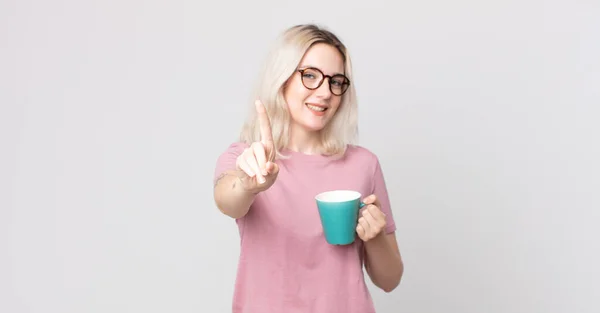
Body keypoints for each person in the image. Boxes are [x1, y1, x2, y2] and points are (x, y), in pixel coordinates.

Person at [213, 24, 404, 313]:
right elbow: (228, 202)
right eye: (310, 76)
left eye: (336, 81)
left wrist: (375, 236)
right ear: (282, 80)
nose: (325, 92)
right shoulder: (248, 158)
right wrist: (248, 184)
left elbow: (390, 280)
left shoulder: (364, 164)